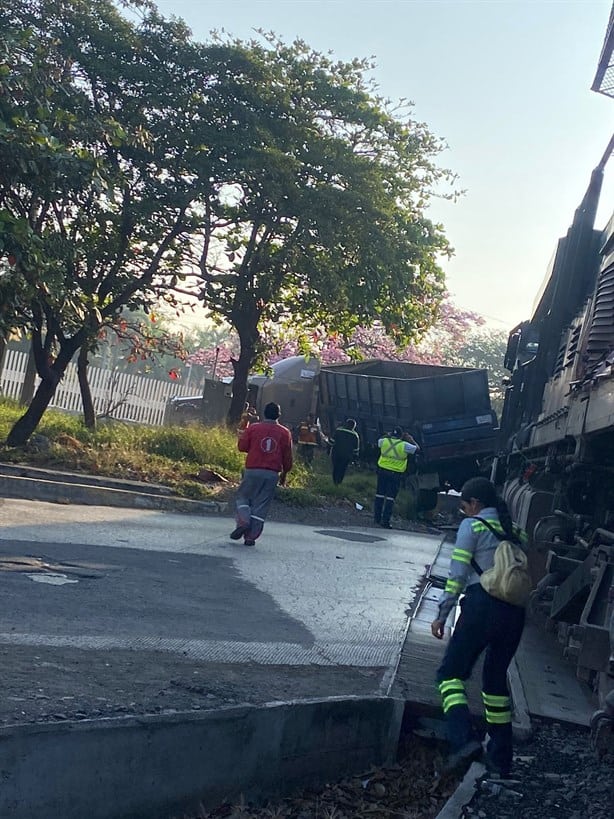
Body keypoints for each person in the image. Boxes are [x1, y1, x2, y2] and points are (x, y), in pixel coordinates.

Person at [430, 477, 528, 777]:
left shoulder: (471, 528)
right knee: (495, 685)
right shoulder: (516, 532)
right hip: (514, 614)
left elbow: (457, 574)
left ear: (475, 504)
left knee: (449, 676)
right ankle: (501, 758)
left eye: (464, 507)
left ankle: (464, 741)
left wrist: (442, 614)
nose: (464, 512)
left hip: (481, 607)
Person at [230, 402, 293, 546]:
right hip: (272, 473)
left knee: (243, 497)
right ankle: (251, 537)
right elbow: (287, 456)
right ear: (279, 415)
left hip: (252, 470)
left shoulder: (254, 428)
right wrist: (285, 473)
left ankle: (244, 520)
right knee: (261, 504)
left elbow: (242, 447)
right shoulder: (285, 432)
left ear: (264, 413)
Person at [374, 428, 419, 528]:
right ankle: (385, 521)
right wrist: (411, 439)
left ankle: (376, 519)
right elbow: (417, 449)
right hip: (395, 474)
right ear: (401, 436)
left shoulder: (384, 441)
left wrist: (387, 435)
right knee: (390, 498)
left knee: (379, 495)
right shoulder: (404, 445)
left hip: (382, 472)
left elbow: (379, 441)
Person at [330, 419, 360, 485]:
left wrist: (329, 448)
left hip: (336, 453)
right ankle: (339, 482)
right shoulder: (355, 435)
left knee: (335, 467)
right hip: (347, 456)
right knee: (342, 469)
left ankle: (334, 481)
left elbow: (332, 441)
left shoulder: (338, 430)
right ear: (354, 427)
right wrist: (355, 459)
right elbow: (356, 450)